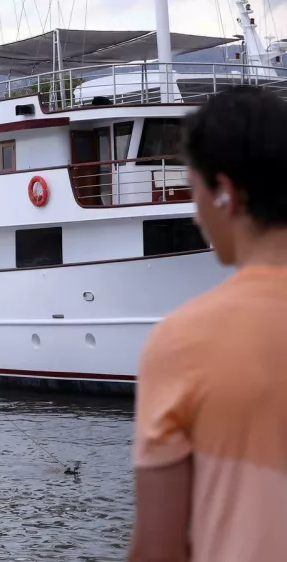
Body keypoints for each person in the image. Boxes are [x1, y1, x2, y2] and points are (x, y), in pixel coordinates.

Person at [129, 86, 287, 562]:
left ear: (226, 194)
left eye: (195, 193)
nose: (196, 217)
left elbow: (159, 550)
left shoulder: (183, 343)